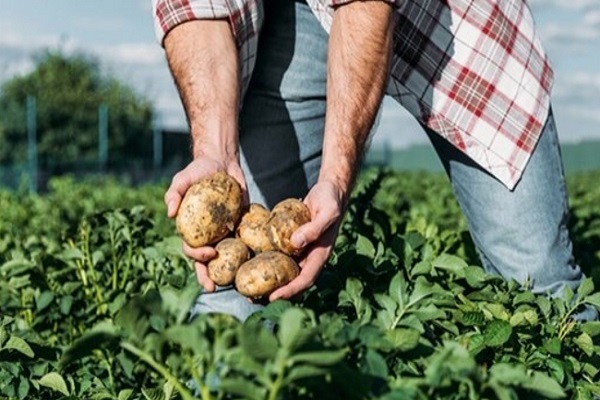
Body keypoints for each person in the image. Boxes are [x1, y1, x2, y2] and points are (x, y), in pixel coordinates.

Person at [152, 0, 597, 322]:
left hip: (453, 24)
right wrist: (215, 150)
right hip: (293, 17)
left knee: (538, 283)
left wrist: (335, 180)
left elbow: (365, 7)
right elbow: (193, 7)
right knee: (236, 292)